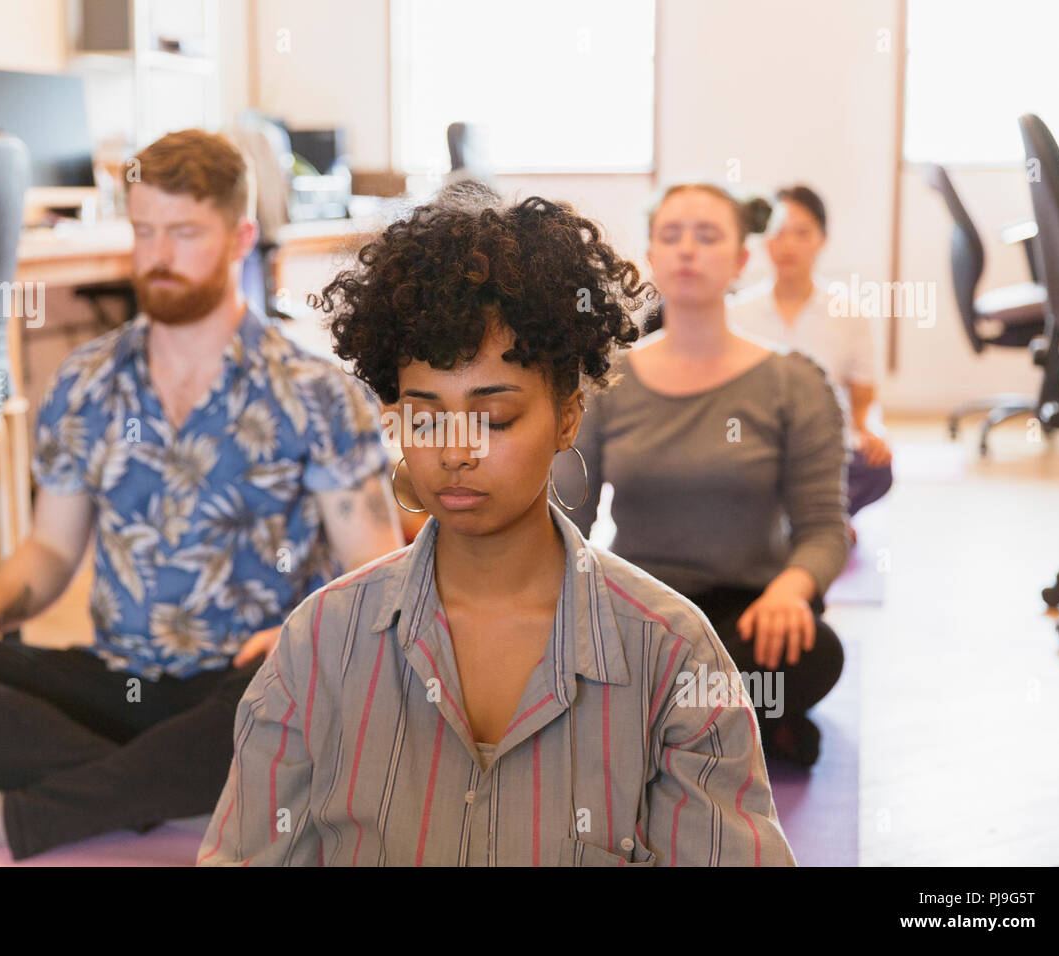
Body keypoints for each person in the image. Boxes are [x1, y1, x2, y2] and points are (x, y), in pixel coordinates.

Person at [0, 129, 405, 861]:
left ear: (240, 238)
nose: (158, 256)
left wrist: (307, 639)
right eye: (143, 232)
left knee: (315, 692)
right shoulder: (87, 380)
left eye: (185, 233)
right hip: (118, 687)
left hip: (251, 687)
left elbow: (376, 577)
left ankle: (9, 818)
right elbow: (49, 550)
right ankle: (180, 792)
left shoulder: (318, 393)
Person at [198, 193, 796, 866]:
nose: (456, 451)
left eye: (495, 418)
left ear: (568, 416)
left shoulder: (672, 657)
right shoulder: (320, 646)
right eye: (425, 417)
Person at [555, 183, 849, 768]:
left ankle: (661, 732)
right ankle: (724, 734)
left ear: (742, 260)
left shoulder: (794, 382)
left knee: (814, 653)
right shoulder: (607, 380)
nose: (688, 249)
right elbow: (568, 522)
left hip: (752, 613)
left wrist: (792, 589)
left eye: (708, 235)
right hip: (642, 607)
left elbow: (824, 530)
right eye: (672, 235)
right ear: (652, 258)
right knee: (586, 655)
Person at [728, 184, 893, 541]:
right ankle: (813, 521)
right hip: (757, 443)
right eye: (778, 233)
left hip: (824, 446)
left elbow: (863, 403)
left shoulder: (848, 313)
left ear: (822, 238)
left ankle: (808, 519)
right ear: (763, 241)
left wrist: (871, 432)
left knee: (876, 467)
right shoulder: (736, 312)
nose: (788, 245)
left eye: (802, 233)